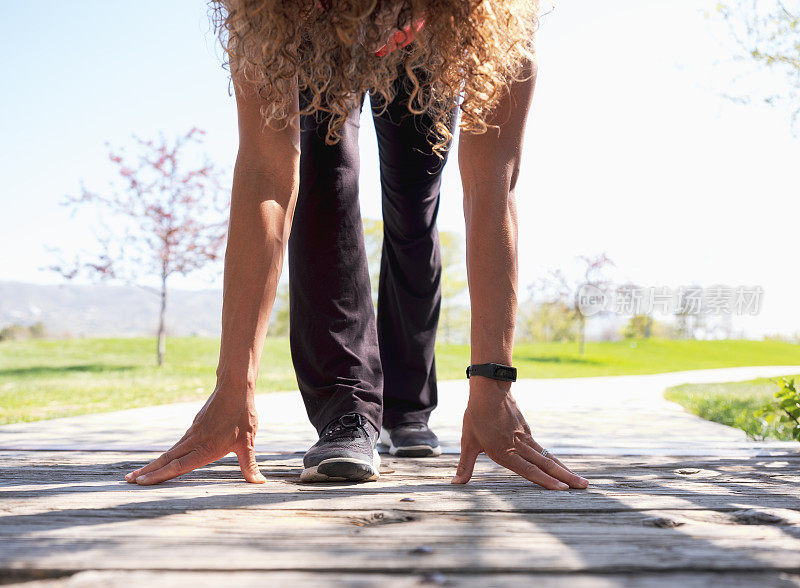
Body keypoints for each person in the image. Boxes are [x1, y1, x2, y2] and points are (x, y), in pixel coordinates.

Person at [124, 0, 588, 490]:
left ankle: (407, 408)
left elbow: (492, 186)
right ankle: (347, 409)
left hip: (433, 43)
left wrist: (494, 385)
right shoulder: (275, 12)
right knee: (324, 182)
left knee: (414, 208)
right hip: (319, 39)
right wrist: (232, 387)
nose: (376, 33)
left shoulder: (490, 16)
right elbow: (266, 173)